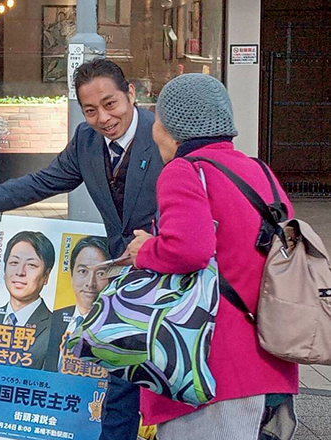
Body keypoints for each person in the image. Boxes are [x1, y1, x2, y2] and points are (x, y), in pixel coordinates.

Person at [0, 58, 164, 440]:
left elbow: (194, 198)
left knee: (173, 374)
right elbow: (42, 182)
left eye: (111, 104)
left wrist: (158, 239)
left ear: (131, 93)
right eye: (91, 110)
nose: (103, 117)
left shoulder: (162, 133)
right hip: (124, 281)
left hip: (169, 277)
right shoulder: (85, 141)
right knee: (121, 376)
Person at [127, 73, 299, 440]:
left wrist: (144, 250)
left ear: (172, 129)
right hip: (272, 363)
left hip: (212, 368)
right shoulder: (260, 171)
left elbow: (188, 249)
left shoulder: (184, 171)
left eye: (157, 119)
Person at [0, 231, 55, 370]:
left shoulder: (55, 328)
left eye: (31, 265)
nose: (20, 272)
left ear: (46, 275)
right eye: (14, 262)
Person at [44, 235, 110, 372]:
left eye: (101, 273)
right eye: (83, 271)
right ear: (72, 274)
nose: (90, 283)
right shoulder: (51, 319)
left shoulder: (118, 328)